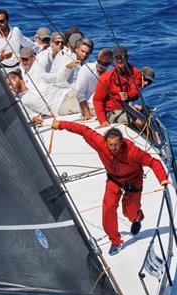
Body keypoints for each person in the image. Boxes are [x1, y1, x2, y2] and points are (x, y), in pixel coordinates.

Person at [51, 119, 170, 255]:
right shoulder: (100, 143)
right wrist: (61, 125)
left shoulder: (132, 152)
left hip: (133, 179)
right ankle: (115, 241)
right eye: (110, 145)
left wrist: (163, 179)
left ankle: (136, 217)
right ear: (106, 142)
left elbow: (153, 162)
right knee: (108, 208)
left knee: (129, 212)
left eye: (116, 145)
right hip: (114, 179)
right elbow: (83, 130)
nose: (113, 148)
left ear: (121, 143)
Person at [92, 45, 144, 128]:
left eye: (122, 57)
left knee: (147, 120)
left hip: (126, 108)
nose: (119, 60)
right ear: (114, 59)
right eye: (117, 58)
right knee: (139, 122)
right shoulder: (106, 77)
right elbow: (97, 100)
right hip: (111, 111)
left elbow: (136, 92)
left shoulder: (136, 73)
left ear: (127, 57)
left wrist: (128, 96)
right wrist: (102, 120)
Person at [0, 9, 34, 73]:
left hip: (20, 67)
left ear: (7, 20)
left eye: (1, 21)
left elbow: (27, 42)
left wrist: (40, 48)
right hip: (4, 70)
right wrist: (1, 57)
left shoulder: (16, 31)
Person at [71, 47, 112, 120]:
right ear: (97, 59)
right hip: (90, 109)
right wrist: (87, 114)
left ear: (110, 63)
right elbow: (79, 93)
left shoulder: (111, 71)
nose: (101, 65)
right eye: (99, 62)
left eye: (105, 64)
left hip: (107, 108)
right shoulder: (86, 69)